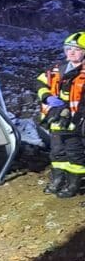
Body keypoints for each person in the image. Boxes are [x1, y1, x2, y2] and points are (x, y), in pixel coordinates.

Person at [37, 31, 85, 198]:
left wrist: (73, 115)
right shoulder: (58, 68)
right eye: (68, 48)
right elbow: (40, 82)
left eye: (77, 49)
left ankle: (73, 185)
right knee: (57, 152)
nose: (71, 52)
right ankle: (58, 181)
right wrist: (47, 96)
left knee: (75, 153)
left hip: (76, 122)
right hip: (56, 118)